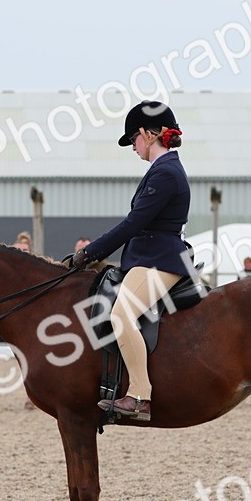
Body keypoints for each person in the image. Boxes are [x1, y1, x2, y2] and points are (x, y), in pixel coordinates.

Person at [69, 100, 191, 422]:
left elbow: (133, 224)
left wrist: (90, 253)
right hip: (149, 258)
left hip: (160, 260)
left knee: (121, 314)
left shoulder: (166, 173)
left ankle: (139, 396)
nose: (133, 147)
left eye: (134, 140)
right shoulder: (162, 170)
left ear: (148, 134)